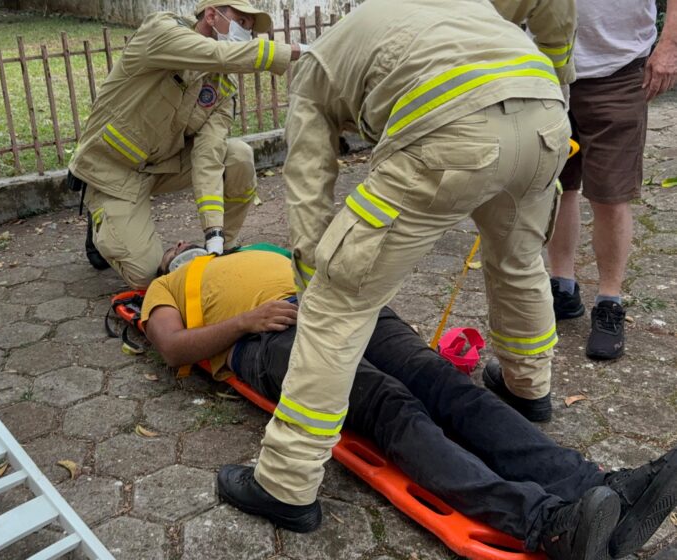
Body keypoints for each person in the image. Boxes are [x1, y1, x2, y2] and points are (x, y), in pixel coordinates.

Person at [217, 0, 578, 542]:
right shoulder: (447, 11)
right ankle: (529, 388)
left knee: (338, 305)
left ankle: (285, 484)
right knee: (519, 261)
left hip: (451, 127)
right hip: (546, 114)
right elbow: (555, 17)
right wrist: (556, 90)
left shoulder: (315, 68)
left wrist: (318, 273)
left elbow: (310, 176)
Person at [140, 244, 677, 560]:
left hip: (342, 304)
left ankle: (603, 490)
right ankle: (547, 522)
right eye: (175, 248)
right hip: (264, 337)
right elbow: (170, 347)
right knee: (386, 402)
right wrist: (244, 322)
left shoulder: (265, 251)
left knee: (444, 383)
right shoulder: (167, 285)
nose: (185, 246)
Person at [67, 0, 302, 289]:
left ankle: (221, 252)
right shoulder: (161, 32)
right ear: (212, 16)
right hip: (112, 174)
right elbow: (216, 53)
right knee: (147, 276)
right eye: (241, 23)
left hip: (163, 166)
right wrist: (289, 52)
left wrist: (213, 231)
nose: (245, 33)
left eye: (249, 30)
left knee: (238, 156)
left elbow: (208, 156)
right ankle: (101, 218)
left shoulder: (221, 88)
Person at [546, 0, 677, 360]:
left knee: (610, 193)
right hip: (545, 68)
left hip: (617, 68)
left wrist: (670, 46)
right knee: (555, 188)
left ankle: (609, 301)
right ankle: (562, 287)